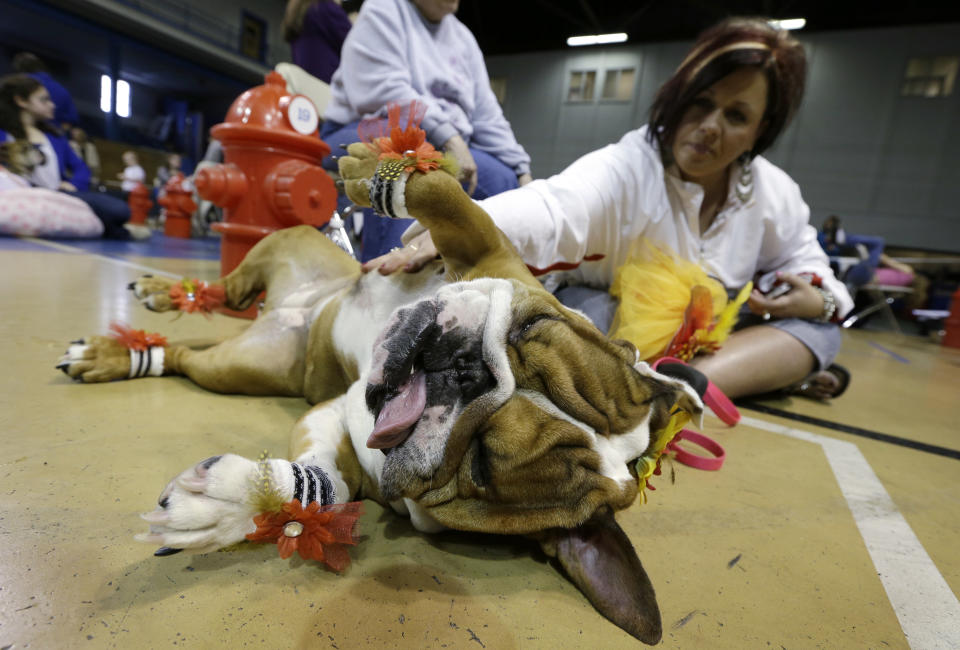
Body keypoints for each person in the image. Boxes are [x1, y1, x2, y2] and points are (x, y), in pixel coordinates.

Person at [365, 17, 855, 401]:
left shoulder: (773, 192)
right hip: (608, 325)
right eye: (700, 104)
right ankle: (734, 379)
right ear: (678, 96)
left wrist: (820, 299)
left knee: (820, 331)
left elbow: (808, 263)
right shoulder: (628, 167)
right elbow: (555, 208)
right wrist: (462, 227)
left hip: (695, 347)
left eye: (736, 116)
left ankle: (680, 386)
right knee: (582, 319)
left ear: (760, 130)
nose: (709, 126)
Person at [321, 0, 533, 262]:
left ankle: (482, 283)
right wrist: (450, 138)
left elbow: (486, 114)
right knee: (408, 159)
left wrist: (522, 171)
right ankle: (388, 281)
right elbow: (385, 92)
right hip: (370, 126)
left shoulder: (463, 38)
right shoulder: (383, 9)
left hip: (445, 140)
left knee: (503, 180)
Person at [0, 74, 134, 239]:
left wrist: (73, 185)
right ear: (21, 101)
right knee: (114, 221)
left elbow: (81, 169)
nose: (52, 105)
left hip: (57, 195)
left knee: (119, 210)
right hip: (17, 198)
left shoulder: (55, 137)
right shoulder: (3, 134)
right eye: (44, 100)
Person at [283, 0, 354, 84]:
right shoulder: (325, 6)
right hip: (327, 84)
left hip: (305, 84)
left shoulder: (299, 11)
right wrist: (356, 25)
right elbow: (354, 45)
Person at [12, 52, 79, 129]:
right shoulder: (63, 90)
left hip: (21, 132)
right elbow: (70, 120)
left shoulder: (20, 84)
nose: (52, 105)